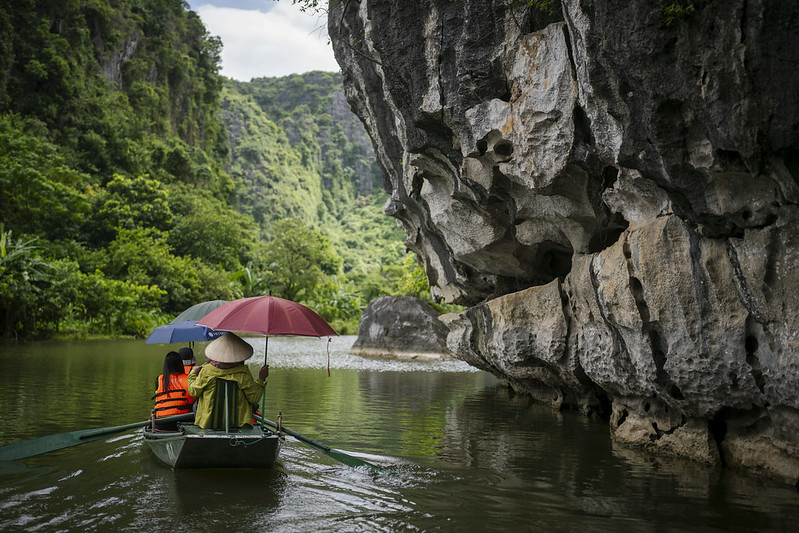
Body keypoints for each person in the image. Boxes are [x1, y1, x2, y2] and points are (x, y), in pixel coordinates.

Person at [187, 332, 269, 430]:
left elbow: (193, 391)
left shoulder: (207, 371)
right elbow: (254, 398)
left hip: (208, 423)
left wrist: (192, 373)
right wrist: (261, 379)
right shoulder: (243, 373)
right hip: (238, 424)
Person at [152, 351, 195, 430]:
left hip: (162, 422)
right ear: (180, 364)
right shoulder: (189, 379)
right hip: (184, 420)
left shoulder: (159, 379)